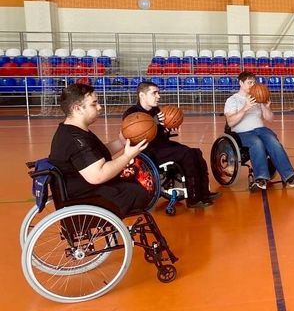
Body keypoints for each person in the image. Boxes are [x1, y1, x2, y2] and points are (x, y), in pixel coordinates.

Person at [49, 83, 150, 218]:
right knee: (139, 191)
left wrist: (121, 142)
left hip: (85, 189)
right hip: (86, 197)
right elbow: (98, 175)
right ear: (77, 108)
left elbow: (96, 155)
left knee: (133, 177)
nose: (99, 107)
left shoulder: (73, 131)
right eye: (94, 104)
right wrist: (127, 156)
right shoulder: (75, 139)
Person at [123, 81, 219, 208]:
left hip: (162, 146)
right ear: (142, 95)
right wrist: (152, 122)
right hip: (148, 152)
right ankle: (194, 198)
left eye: (158, 93)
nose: (158, 96)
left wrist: (167, 128)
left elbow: (161, 133)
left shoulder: (156, 110)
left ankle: (204, 193)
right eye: (154, 93)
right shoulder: (132, 113)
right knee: (187, 154)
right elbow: (132, 136)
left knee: (196, 152)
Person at [224, 71, 294, 190]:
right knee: (256, 142)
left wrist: (266, 107)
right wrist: (245, 108)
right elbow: (230, 122)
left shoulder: (257, 98)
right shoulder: (232, 100)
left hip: (261, 129)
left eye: (254, 82)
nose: (252, 85)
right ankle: (261, 178)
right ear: (241, 83)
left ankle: (290, 176)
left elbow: (270, 119)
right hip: (241, 133)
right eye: (249, 82)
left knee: (273, 140)